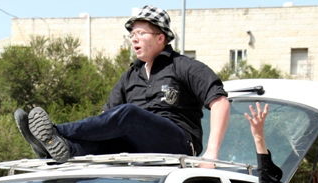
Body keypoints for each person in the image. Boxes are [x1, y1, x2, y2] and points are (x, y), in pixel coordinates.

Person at [14, 5, 229, 163]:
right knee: (103, 141)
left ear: (161, 38)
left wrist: (211, 154)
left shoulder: (183, 66)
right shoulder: (129, 76)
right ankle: (54, 148)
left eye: (141, 33)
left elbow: (220, 102)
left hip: (178, 143)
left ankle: (56, 131)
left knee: (128, 114)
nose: (134, 39)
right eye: (132, 34)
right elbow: (105, 119)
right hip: (138, 147)